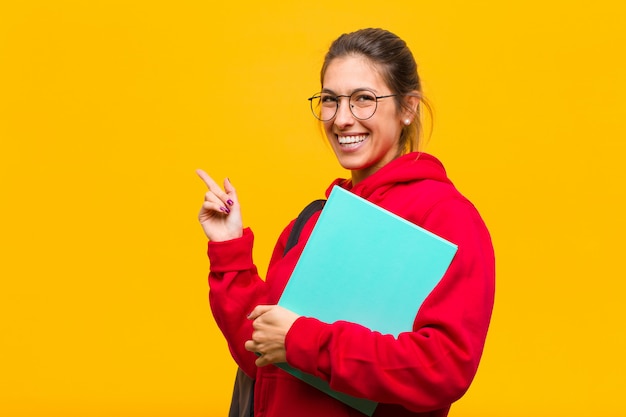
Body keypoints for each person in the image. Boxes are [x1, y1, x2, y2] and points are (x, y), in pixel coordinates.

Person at [196, 28, 495, 417]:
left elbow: (443, 370)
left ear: (408, 108)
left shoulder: (447, 218)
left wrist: (304, 340)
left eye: (363, 100)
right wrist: (229, 249)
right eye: (330, 101)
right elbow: (261, 359)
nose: (341, 119)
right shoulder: (311, 222)